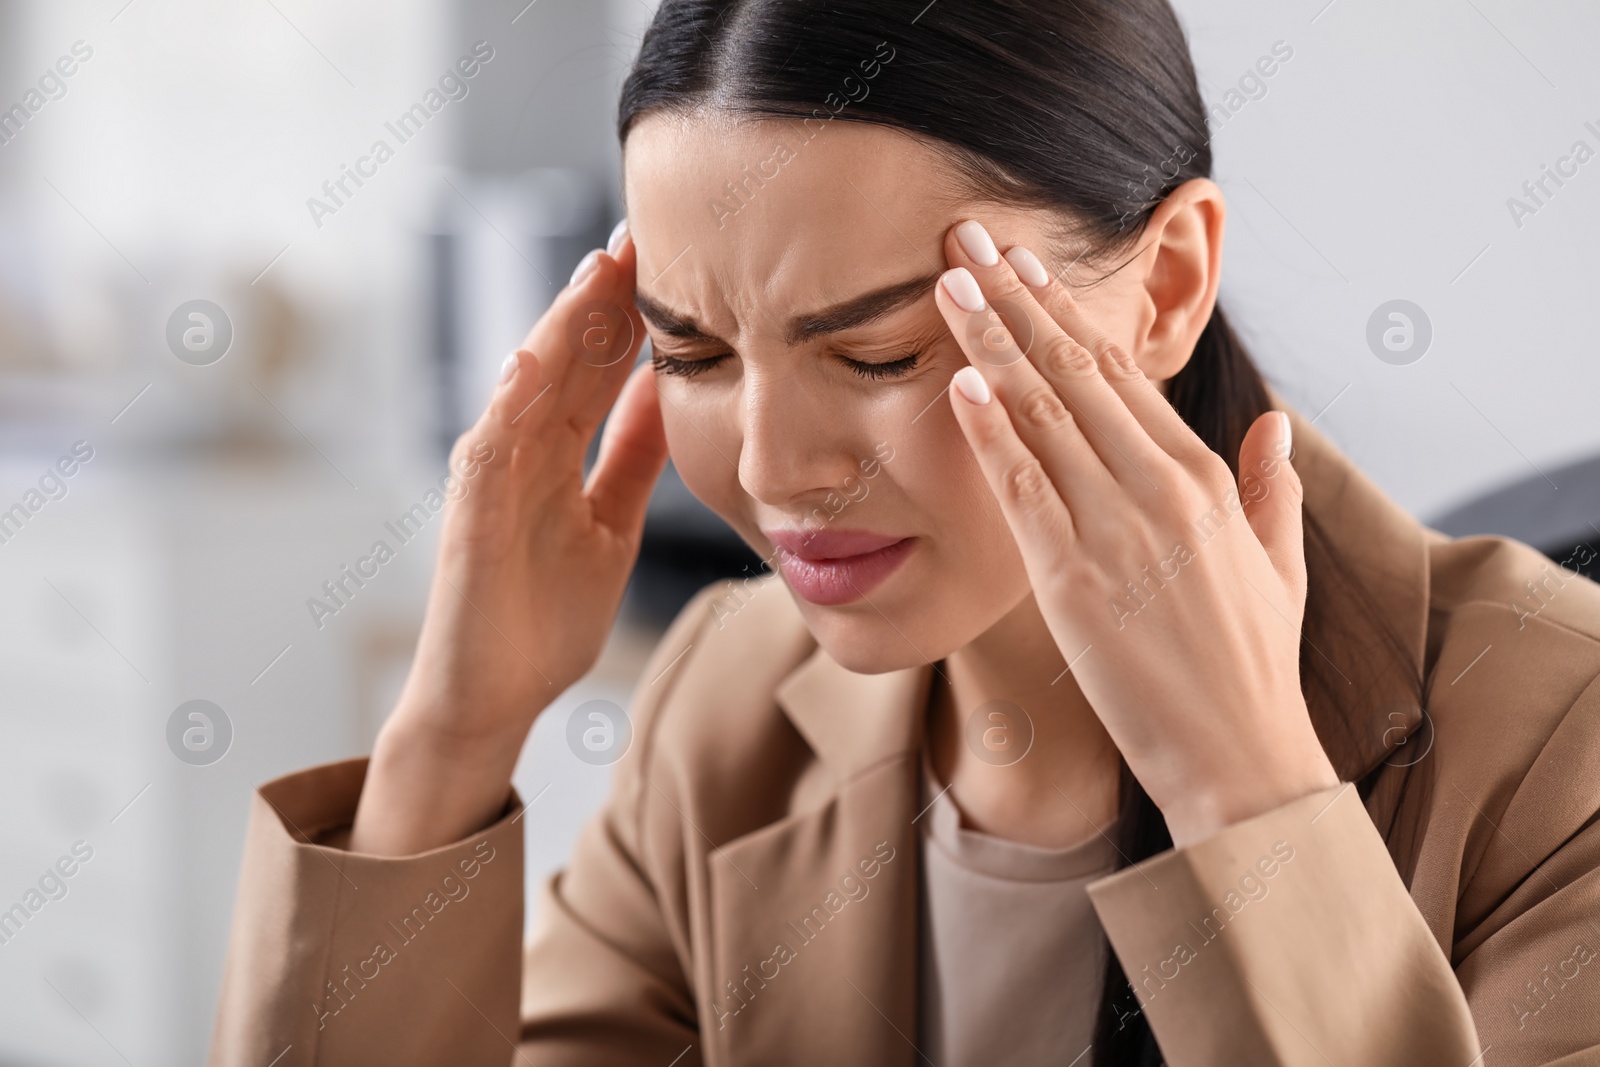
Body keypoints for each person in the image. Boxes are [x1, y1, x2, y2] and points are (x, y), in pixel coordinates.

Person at [207, 1, 1600, 1064]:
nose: (767, 470)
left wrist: (1243, 799)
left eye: (878, 355)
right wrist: (452, 737)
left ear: (1165, 287)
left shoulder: (1563, 747)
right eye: (690, 354)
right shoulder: (728, 708)